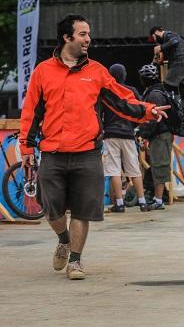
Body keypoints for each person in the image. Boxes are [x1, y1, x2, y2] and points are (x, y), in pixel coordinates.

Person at [19, 14, 168, 280]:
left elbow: (122, 100)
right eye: (83, 34)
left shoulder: (96, 72)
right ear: (67, 37)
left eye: (89, 34)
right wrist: (27, 149)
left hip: (87, 153)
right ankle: (63, 239)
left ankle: (75, 261)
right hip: (52, 153)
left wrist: (148, 110)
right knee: (50, 209)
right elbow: (31, 113)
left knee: (82, 210)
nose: (89, 39)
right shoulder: (43, 71)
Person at [104, 63, 151, 213]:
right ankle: (143, 203)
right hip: (128, 134)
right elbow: (139, 109)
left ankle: (119, 203)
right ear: (124, 74)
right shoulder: (131, 90)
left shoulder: (106, 91)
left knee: (114, 170)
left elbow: (100, 113)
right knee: (134, 169)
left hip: (111, 134)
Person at [137, 64, 174, 209]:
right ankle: (157, 197)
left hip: (160, 135)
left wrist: (143, 134)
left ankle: (159, 200)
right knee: (157, 166)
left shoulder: (154, 94)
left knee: (160, 166)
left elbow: (154, 119)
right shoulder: (157, 91)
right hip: (159, 135)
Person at [149, 26, 184, 101]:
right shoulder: (167, 42)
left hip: (180, 63)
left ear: (157, 32)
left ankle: (171, 107)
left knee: (168, 86)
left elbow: (175, 41)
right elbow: (172, 49)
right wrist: (159, 57)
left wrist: (160, 48)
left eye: (154, 37)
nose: (155, 41)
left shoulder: (168, 34)